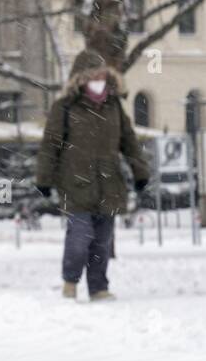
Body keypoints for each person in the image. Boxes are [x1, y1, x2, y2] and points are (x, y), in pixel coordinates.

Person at [35, 49, 150, 301]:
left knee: (102, 242)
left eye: (101, 74)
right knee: (79, 237)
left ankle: (98, 287)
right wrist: (43, 179)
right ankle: (70, 282)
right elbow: (50, 145)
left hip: (109, 184)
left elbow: (129, 141)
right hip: (75, 183)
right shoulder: (64, 108)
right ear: (80, 78)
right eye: (93, 75)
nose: (99, 79)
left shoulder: (114, 106)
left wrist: (140, 172)